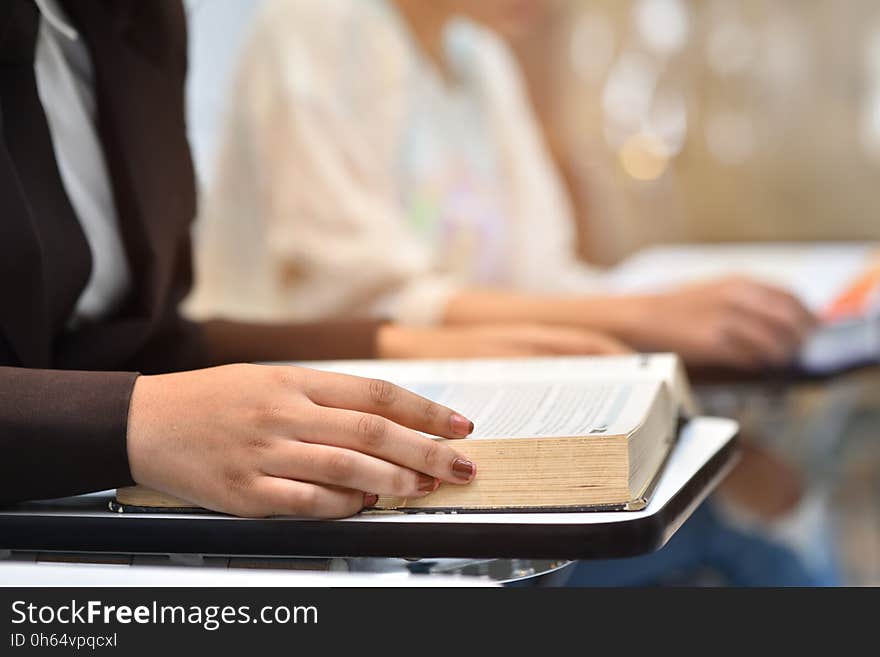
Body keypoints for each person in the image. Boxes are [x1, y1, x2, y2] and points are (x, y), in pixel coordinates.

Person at [0, 0, 632, 517]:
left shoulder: (136, 23)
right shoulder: (317, 31)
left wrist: (395, 345)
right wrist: (134, 422)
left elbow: (131, 343)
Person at [189, 0, 816, 372]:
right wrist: (640, 315)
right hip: (320, 407)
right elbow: (358, 299)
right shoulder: (318, 29)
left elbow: (538, 275)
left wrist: (693, 308)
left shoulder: (478, 59)